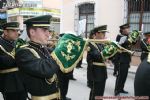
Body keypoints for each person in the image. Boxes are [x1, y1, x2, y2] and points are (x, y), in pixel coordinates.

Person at [15, 15, 61, 100]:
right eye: (44, 30)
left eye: (48, 30)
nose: (48, 34)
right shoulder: (23, 53)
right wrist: (62, 50)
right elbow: (45, 69)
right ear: (32, 32)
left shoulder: (47, 49)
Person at [87, 25, 118, 99]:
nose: (104, 35)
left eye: (105, 33)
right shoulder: (91, 44)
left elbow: (109, 57)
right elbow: (98, 56)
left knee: (100, 94)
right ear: (96, 34)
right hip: (95, 74)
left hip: (102, 73)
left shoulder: (101, 44)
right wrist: (110, 48)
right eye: (102, 33)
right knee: (95, 94)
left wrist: (115, 51)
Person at [0, 22, 27, 100]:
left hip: (22, 80)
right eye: (14, 31)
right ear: (5, 32)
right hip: (8, 82)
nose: (17, 33)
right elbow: (4, 62)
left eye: (17, 31)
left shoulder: (18, 42)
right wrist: (19, 58)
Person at [114, 23, 139, 96]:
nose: (128, 30)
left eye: (128, 28)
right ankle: (116, 90)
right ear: (122, 30)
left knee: (124, 75)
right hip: (121, 59)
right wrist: (130, 38)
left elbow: (133, 43)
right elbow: (123, 44)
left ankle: (121, 88)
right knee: (120, 75)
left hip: (127, 58)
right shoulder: (119, 36)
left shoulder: (128, 36)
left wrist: (136, 37)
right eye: (127, 29)